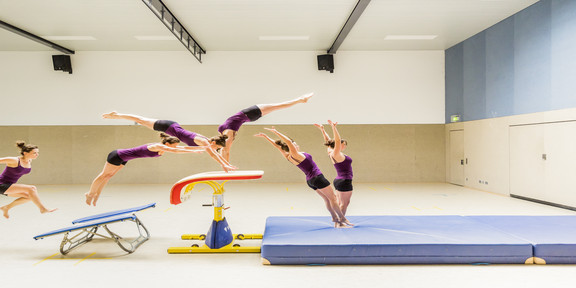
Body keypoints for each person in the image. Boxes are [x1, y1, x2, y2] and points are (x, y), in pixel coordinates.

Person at [254, 127, 352, 228]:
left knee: (327, 200)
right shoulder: (295, 153)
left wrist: (267, 137)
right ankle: (341, 219)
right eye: (294, 144)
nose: (296, 145)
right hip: (317, 178)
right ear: (290, 146)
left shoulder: (288, 156)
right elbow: (288, 141)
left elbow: (278, 147)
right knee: (333, 198)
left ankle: (334, 218)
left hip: (310, 180)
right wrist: (276, 132)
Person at [85, 133, 204, 206]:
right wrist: (195, 150)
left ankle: (96, 195)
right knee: (103, 175)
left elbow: (177, 150)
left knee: (108, 176)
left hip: (125, 158)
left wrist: (194, 149)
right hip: (117, 155)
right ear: (167, 143)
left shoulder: (164, 149)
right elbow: (177, 151)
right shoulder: (157, 146)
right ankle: (90, 194)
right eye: (174, 145)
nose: (176, 147)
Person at [102, 112, 236, 172]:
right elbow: (214, 155)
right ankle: (117, 115)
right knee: (142, 120)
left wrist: (225, 164)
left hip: (172, 127)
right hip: (169, 126)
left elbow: (212, 152)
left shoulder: (206, 142)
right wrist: (225, 165)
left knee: (142, 121)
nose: (214, 149)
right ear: (213, 143)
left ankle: (117, 115)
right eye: (216, 147)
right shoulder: (204, 142)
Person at [218, 93, 313, 162]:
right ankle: (300, 100)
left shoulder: (225, 134)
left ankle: (301, 100)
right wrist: (226, 165)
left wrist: (225, 164)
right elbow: (225, 151)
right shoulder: (226, 133)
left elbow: (224, 150)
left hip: (250, 114)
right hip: (250, 114)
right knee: (279, 106)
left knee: (279, 106)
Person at [0, 141, 57, 219]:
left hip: (9, 186)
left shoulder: (29, 160)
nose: (37, 155)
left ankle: (6, 207)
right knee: (32, 188)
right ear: (25, 153)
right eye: (34, 153)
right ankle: (42, 209)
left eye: (37, 152)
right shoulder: (14, 160)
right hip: (1, 185)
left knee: (30, 197)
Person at [314, 120, 353, 215]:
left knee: (341, 203)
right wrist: (333, 127)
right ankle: (341, 222)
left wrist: (322, 130)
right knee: (344, 204)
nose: (344, 146)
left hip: (340, 180)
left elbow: (328, 141)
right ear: (339, 145)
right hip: (344, 181)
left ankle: (338, 221)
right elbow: (337, 140)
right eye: (344, 144)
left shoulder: (331, 152)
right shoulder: (336, 154)